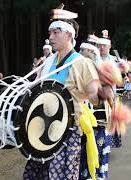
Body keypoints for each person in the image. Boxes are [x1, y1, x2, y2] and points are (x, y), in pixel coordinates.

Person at [23, 6, 112, 180]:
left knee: (61, 176)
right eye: (50, 33)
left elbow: (94, 98)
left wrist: (103, 93)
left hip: (67, 131)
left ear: (69, 35)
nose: (50, 37)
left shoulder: (81, 64)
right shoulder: (48, 61)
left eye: (56, 33)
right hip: (42, 128)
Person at [79, 34, 112, 180]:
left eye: (84, 52)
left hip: (99, 125)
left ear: (93, 54)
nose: (80, 54)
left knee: (97, 159)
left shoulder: (102, 73)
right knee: (81, 160)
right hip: (80, 125)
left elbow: (108, 96)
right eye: (79, 51)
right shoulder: (75, 70)